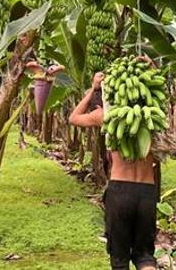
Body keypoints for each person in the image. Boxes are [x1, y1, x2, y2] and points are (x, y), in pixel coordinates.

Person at [69, 71, 158, 270]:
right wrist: (151, 72)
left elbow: (73, 118)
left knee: (119, 261)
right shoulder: (150, 114)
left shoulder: (105, 115)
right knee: (145, 257)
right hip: (147, 193)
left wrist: (93, 89)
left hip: (120, 192)